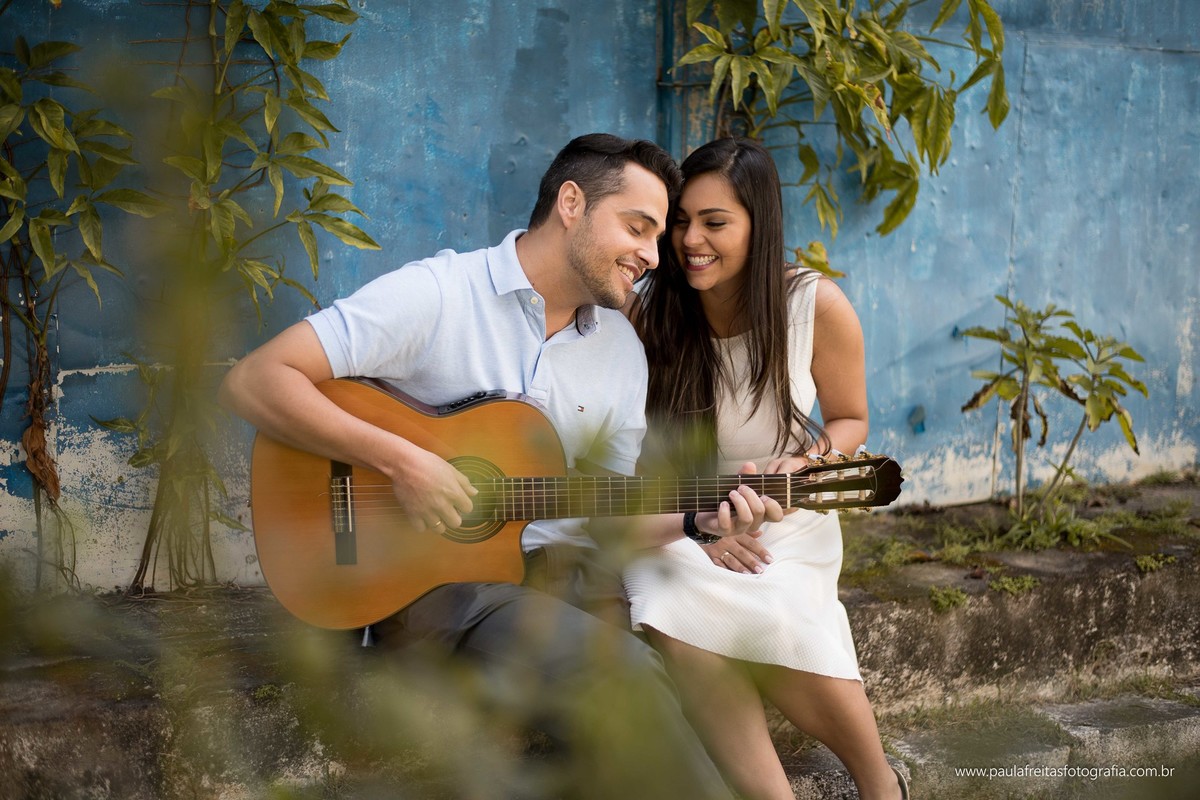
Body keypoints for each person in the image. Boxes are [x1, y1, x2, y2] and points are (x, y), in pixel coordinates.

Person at [218, 133, 754, 800]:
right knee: (624, 677)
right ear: (570, 202)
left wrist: (698, 520)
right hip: (440, 589)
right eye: (638, 228)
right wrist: (403, 460)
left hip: (562, 584)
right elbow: (255, 381)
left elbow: (601, 510)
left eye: (656, 238)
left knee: (692, 660)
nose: (652, 256)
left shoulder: (620, 347)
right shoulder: (439, 295)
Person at [623, 137, 908, 800]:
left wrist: (806, 462)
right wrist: (702, 527)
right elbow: (635, 450)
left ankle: (881, 785)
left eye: (715, 222)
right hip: (676, 513)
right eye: (682, 221)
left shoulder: (814, 305)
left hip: (785, 512)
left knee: (780, 613)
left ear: (760, 223)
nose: (692, 239)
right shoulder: (649, 310)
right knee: (671, 600)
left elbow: (850, 421)